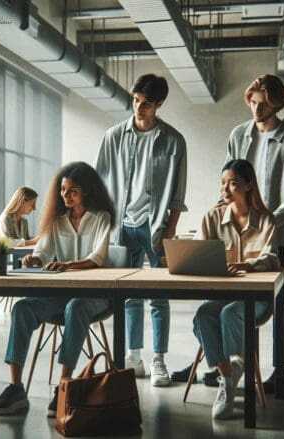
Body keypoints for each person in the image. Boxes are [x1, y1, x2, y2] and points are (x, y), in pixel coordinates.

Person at [0, 161, 115, 417]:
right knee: (23, 307)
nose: (65, 195)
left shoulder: (101, 217)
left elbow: (97, 257)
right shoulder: (56, 221)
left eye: (72, 190)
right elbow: (42, 252)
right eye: (62, 190)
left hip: (95, 295)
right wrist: (33, 259)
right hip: (59, 294)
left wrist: (67, 265)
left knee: (76, 306)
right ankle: (15, 388)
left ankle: (64, 386)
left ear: (86, 192)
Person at [95, 73, 188, 386]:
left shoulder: (174, 141)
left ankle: (158, 359)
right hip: (122, 227)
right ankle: (133, 357)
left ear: (159, 104)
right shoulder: (113, 136)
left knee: (159, 296)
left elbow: (177, 195)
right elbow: (99, 184)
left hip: (156, 227)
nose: (139, 107)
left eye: (147, 103)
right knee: (128, 296)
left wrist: (170, 232)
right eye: (136, 101)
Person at [225, 74, 284, 392]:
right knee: (233, 298)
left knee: (278, 302)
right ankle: (231, 365)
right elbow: (227, 180)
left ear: (276, 104)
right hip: (239, 235)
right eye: (252, 102)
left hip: (275, 238)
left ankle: (280, 370)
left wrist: (274, 217)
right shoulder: (239, 136)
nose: (257, 109)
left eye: (263, 104)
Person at [191, 159, 280, 419]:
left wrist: (248, 265)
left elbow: (272, 257)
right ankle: (228, 378)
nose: (225, 189)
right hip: (223, 295)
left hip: (258, 299)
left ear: (248, 185)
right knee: (204, 315)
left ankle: (231, 376)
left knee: (231, 313)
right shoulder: (212, 217)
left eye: (233, 183)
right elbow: (197, 254)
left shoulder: (266, 219)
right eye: (222, 183)